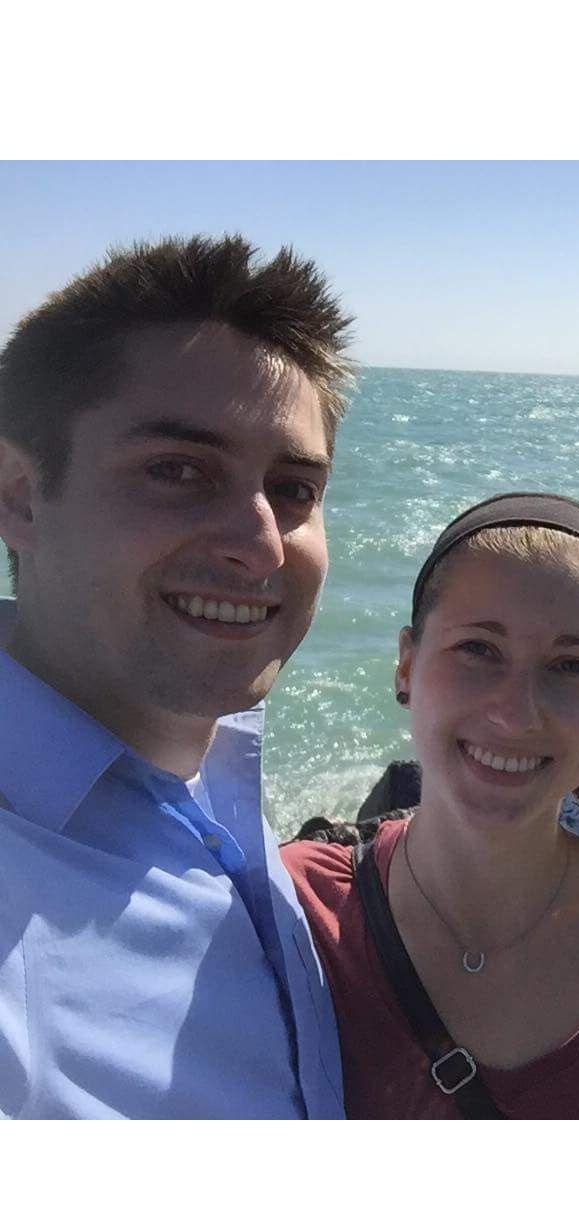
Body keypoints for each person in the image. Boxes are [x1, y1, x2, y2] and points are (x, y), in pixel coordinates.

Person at [0, 235, 354, 1118]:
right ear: (19, 495)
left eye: (295, 489)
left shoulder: (212, 771)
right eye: (178, 470)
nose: (261, 544)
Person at [283, 493, 579, 1118]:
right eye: (479, 649)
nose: (517, 712)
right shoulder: (292, 910)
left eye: (570, 666)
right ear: (406, 666)